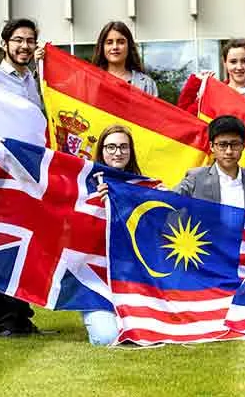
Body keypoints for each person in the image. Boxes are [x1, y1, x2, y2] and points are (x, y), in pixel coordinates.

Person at [0, 18, 45, 337]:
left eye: (30, 41)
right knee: (0, 246)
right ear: (4, 44)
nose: (24, 46)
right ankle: (4, 321)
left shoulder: (34, 82)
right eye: (18, 40)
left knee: (25, 247)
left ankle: (21, 316)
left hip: (29, 177)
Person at [83, 124, 143, 346]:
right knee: (107, 338)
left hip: (133, 278)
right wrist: (93, 204)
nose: (117, 153)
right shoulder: (85, 184)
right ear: (101, 150)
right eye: (111, 147)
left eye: (123, 147)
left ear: (131, 151)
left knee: (149, 330)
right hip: (96, 280)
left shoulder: (143, 185)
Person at [177, 39, 245, 134]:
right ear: (225, 63)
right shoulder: (213, 94)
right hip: (221, 157)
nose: (239, 67)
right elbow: (184, 117)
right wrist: (194, 84)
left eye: (244, 61)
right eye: (233, 62)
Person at [35, 21, 158, 97]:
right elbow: (52, 91)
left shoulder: (147, 84)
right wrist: (40, 65)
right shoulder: (86, 78)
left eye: (121, 42)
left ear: (129, 46)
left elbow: (156, 119)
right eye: (109, 42)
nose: (115, 47)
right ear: (102, 47)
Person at [173, 116, 245, 212]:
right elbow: (170, 201)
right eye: (222, 145)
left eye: (234, 144)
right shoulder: (196, 178)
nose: (229, 151)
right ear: (212, 146)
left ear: (243, 145)